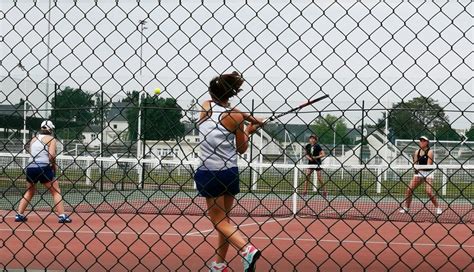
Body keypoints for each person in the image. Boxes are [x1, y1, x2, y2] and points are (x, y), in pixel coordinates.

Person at [194, 71, 263, 272]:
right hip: (230, 173)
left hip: (209, 172)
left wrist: (250, 121)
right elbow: (242, 149)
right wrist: (249, 128)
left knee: (218, 221)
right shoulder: (236, 117)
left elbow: (227, 110)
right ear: (231, 93)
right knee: (225, 221)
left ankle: (246, 249)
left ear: (213, 91)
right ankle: (219, 264)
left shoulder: (205, 106)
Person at [15, 120, 72, 223]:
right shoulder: (51, 139)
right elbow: (51, 156)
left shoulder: (33, 139)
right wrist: (53, 166)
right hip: (43, 167)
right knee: (56, 191)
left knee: (30, 191)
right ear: (50, 129)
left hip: (31, 167)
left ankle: (19, 214)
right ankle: (62, 216)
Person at [399, 136, 442, 215]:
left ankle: (438, 208)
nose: (421, 142)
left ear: (427, 143)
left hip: (428, 173)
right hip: (419, 173)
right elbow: (415, 164)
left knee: (428, 191)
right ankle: (406, 208)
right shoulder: (417, 152)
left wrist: (418, 168)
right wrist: (415, 169)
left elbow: (428, 165)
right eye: (420, 140)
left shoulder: (430, 152)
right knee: (409, 190)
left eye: (423, 141)